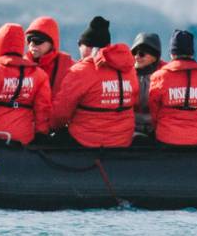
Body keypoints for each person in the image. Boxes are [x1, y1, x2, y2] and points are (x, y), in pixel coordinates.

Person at [51, 16, 137, 148]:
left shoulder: (81, 71)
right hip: (122, 140)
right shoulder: (128, 69)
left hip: (87, 141)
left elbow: (60, 113)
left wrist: (48, 127)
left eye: (80, 44)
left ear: (89, 47)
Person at [149, 30, 197, 147]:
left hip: (167, 138)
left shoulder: (159, 77)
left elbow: (153, 110)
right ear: (192, 53)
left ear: (172, 53)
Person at [26, 16, 75, 97]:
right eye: (29, 40)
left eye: (37, 41)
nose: (32, 44)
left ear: (52, 43)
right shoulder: (21, 66)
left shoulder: (70, 67)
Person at [130, 32, 162, 138]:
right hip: (130, 130)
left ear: (154, 57)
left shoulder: (165, 75)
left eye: (142, 54)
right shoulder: (125, 73)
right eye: (134, 52)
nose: (137, 57)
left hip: (156, 130)